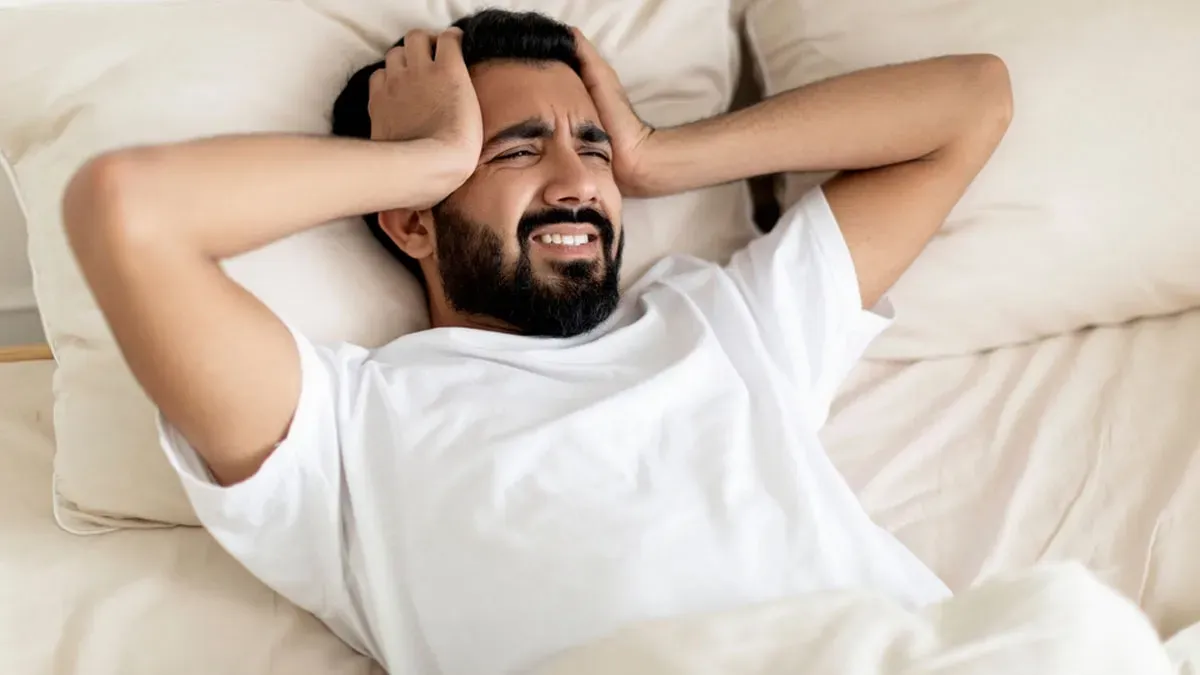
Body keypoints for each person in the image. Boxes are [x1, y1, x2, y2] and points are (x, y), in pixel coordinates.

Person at [63, 8, 1012, 675]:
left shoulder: (724, 321)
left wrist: (654, 154)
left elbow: (974, 100)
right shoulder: (342, 430)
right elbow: (129, 213)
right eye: (516, 149)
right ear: (411, 221)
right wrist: (422, 159)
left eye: (588, 147)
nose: (576, 180)